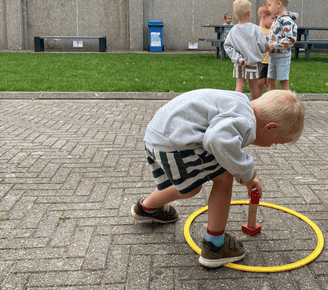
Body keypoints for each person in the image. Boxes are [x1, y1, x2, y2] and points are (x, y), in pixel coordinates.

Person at [131, 89, 305, 268]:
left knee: (191, 186)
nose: (270, 146)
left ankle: (147, 208)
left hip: (157, 135)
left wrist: (243, 173)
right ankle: (215, 246)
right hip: (174, 142)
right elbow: (217, 140)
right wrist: (248, 175)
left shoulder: (240, 102)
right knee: (224, 177)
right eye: (275, 142)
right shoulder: (246, 122)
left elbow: (217, 138)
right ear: (270, 127)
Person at [224, 0, 269, 100]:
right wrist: (266, 43)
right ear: (249, 13)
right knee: (254, 87)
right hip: (253, 63)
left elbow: (227, 46)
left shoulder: (233, 30)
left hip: (239, 63)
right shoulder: (255, 29)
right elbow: (263, 46)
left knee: (239, 86)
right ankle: (255, 108)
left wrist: (239, 58)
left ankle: (235, 105)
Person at [266, 0, 298, 91]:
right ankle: (275, 101)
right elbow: (273, 36)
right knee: (270, 80)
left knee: (283, 82)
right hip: (273, 56)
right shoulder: (276, 20)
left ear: (278, 4)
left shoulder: (286, 21)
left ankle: (289, 104)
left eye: (270, 5)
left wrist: (273, 45)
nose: (268, 8)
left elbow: (290, 40)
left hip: (282, 57)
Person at [257, 4, 274, 93]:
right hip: (260, 61)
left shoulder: (272, 31)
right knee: (259, 82)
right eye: (272, 18)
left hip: (271, 61)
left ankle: (268, 101)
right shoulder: (257, 31)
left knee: (269, 82)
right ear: (264, 17)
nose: (274, 21)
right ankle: (257, 99)